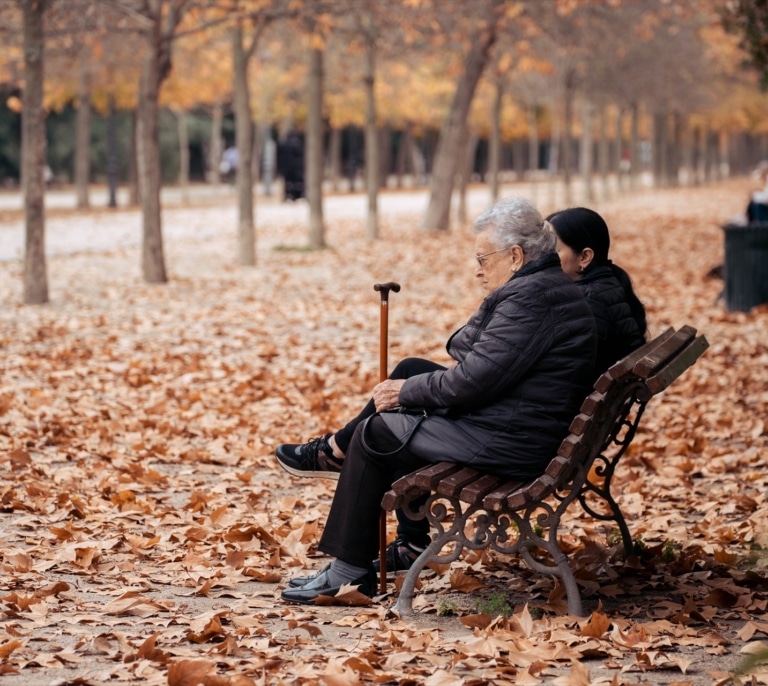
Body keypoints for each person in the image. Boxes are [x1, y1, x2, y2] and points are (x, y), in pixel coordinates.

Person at [274, 197, 598, 604]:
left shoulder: (530, 298)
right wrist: (417, 383)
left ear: (515, 255)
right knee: (411, 369)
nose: (478, 268)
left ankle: (348, 571)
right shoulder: (541, 287)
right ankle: (340, 458)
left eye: (484, 258)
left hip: (512, 440)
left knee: (377, 433)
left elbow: (474, 380)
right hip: (520, 423)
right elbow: (465, 346)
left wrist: (405, 394)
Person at [546, 207, 647, 376]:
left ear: (584, 257)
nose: (543, 257)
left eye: (553, 250)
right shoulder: (608, 285)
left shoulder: (585, 303)